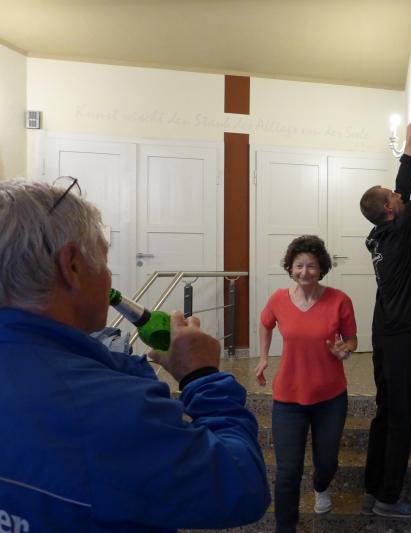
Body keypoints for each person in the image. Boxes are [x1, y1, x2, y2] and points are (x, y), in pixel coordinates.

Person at [0, 179, 269, 531]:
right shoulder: (107, 407)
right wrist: (202, 376)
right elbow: (241, 485)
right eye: (104, 259)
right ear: (72, 266)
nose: (109, 276)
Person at [358, 108, 411, 518]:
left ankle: (373, 488)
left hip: (383, 333)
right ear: (390, 210)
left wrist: (408, 144)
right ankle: (389, 498)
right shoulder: (402, 231)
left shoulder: (379, 233)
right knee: (401, 417)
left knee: (386, 411)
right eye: (392, 197)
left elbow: (404, 192)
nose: (398, 195)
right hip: (402, 337)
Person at [254, 235, 357, 533]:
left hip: (330, 397)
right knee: (288, 471)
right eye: (299, 265)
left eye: (311, 265)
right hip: (288, 397)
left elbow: (352, 339)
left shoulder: (339, 300)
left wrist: (345, 350)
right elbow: (265, 323)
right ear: (290, 267)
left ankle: (320, 486)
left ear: (321, 267)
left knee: (327, 463)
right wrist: (263, 357)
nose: (304, 271)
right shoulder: (278, 299)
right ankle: (285, 527)